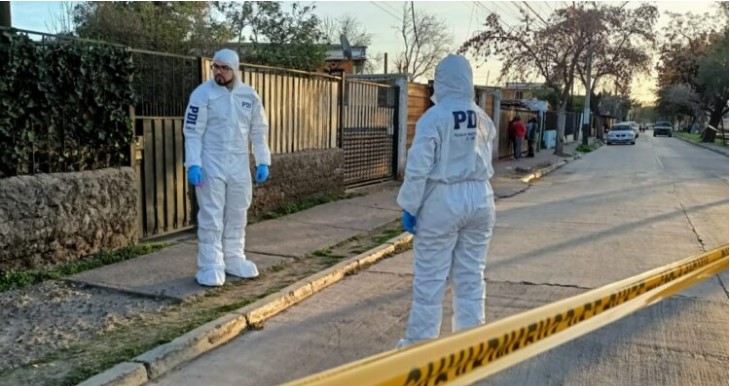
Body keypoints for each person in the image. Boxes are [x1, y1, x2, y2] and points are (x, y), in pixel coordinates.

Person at [396, 54, 497, 348]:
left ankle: (420, 347)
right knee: (471, 274)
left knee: (431, 278)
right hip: (481, 196)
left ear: (441, 81)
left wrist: (410, 206)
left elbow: (418, 168)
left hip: (443, 198)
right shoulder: (483, 117)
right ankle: (470, 343)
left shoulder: (434, 118)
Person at [183, 49, 272, 287]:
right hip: (211, 161)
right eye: (216, 67)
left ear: (235, 69)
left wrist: (263, 160)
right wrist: (193, 164)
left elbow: (259, 130)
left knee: (237, 211)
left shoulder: (249, 95)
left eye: (224, 68)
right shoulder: (202, 94)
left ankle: (234, 257)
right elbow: (192, 132)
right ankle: (210, 264)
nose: (219, 72)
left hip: (239, 163)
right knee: (212, 214)